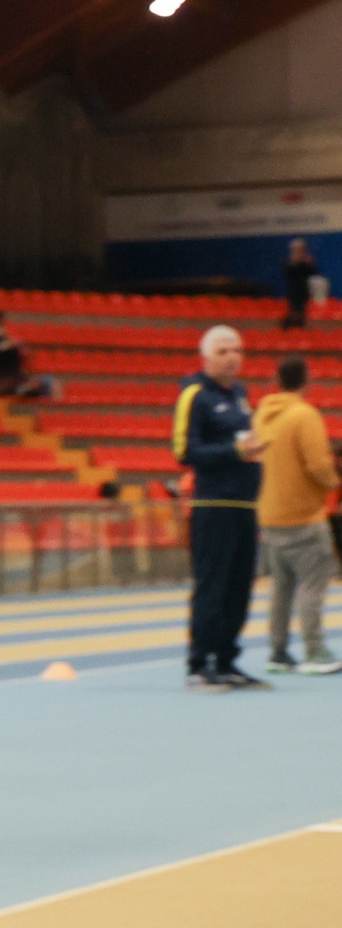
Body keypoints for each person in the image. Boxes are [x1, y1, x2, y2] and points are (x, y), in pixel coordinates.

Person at [174, 325, 267, 690]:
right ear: (206, 357)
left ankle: (227, 660)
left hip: (245, 505)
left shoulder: (240, 394)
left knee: (239, 588)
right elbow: (184, 450)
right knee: (212, 586)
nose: (233, 358)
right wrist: (235, 451)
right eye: (224, 351)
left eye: (238, 350)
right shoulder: (195, 395)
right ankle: (200, 663)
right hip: (213, 506)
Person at [250, 355, 337, 674]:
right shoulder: (304, 415)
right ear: (307, 379)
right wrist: (333, 482)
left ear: (277, 380)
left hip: (270, 514)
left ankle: (278, 651)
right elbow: (318, 464)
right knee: (313, 585)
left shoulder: (262, 414)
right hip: (304, 515)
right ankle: (314, 650)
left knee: (281, 587)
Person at [284, 239, 319, 332]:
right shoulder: (289, 263)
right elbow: (288, 274)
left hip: (304, 291)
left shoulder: (307, 262)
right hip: (294, 292)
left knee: (303, 310)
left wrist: (307, 263)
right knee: (295, 309)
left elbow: (312, 273)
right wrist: (294, 262)